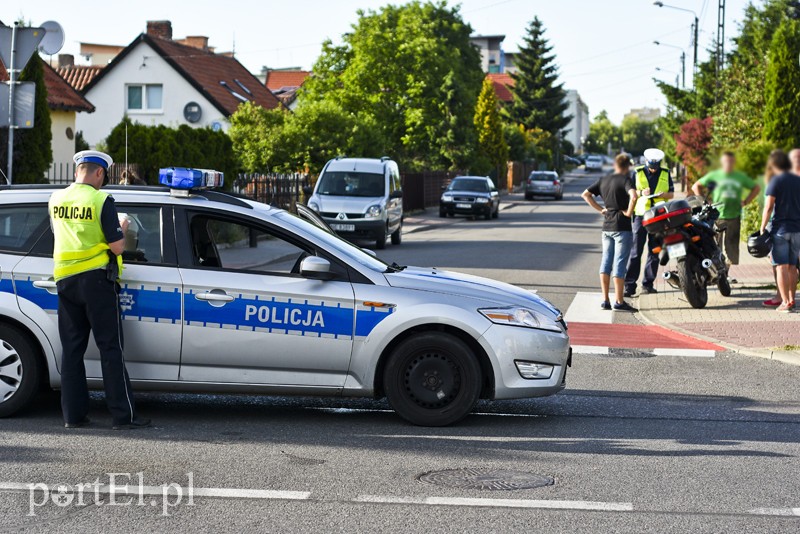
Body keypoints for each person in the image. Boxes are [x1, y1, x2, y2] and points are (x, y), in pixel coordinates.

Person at [49, 150, 151, 429]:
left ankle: (73, 416)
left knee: (71, 350)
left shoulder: (56, 198)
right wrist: (122, 227)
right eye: (103, 176)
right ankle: (123, 416)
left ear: (76, 171)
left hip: (65, 280)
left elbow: (59, 234)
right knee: (110, 348)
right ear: (99, 173)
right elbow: (117, 247)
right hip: (96, 281)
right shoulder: (101, 200)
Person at [582, 154, 638, 311]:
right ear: (627, 167)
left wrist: (601, 209)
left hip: (607, 226)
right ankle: (619, 301)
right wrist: (628, 212)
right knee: (619, 263)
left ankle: (605, 300)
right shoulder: (626, 180)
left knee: (606, 262)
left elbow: (585, 194)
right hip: (622, 226)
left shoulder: (603, 180)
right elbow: (634, 196)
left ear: (615, 165)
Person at [692, 152, 760, 265]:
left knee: (732, 249)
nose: (728, 164)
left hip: (734, 216)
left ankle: (726, 271)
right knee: (715, 247)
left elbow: (756, 187)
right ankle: (719, 269)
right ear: (722, 162)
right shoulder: (715, 175)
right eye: (726, 161)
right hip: (716, 216)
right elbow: (696, 186)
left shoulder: (739, 176)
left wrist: (746, 201)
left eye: (730, 161)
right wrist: (704, 203)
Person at [624, 148, 675, 297]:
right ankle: (629, 286)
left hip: (659, 216)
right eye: (651, 167)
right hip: (641, 216)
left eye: (656, 166)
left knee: (654, 251)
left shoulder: (665, 173)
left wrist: (663, 195)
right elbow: (630, 192)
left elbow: (671, 194)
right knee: (636, 252)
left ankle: (647, 285)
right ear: (646, 162)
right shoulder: (637, 172)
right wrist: (641, 193)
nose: (653, 169)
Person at [760, 149, 800, 313]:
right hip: (797, 230)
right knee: (792, 266)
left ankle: (785, 302)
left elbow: (769, 206)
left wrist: (762, 227)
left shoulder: (776, 180)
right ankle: (792, 299)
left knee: (781, 266)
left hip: (780, 230)